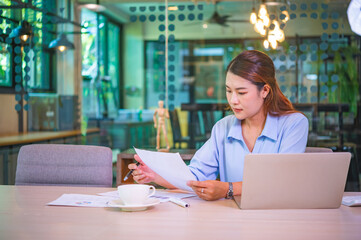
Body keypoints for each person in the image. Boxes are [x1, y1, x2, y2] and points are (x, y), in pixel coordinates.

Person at [129, 50, 309, 201]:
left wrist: (228, 189)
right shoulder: (223, 127)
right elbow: (195, 177)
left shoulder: (294, 124)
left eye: (241, 92)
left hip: (277, 219)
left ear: (265, 90)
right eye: (229, 91)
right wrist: (154, 175)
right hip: (230, 218)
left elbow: (284, 182)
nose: (233, 100)